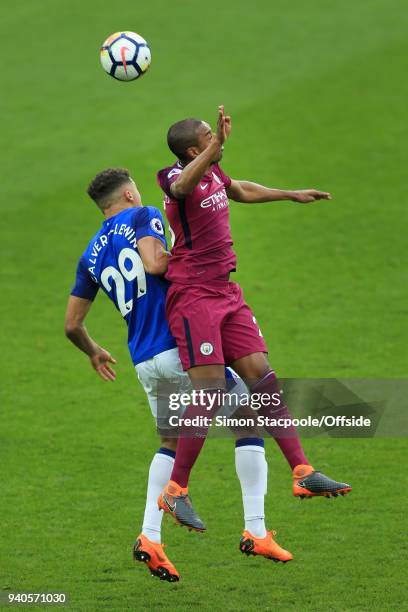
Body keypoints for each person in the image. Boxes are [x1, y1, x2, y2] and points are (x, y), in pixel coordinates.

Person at [64, 168, 293, 584]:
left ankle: (150, 538)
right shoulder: (145, 214)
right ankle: (255, 530)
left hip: (143, 359)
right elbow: (156, 265)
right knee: (252, 414)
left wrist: (94, 351)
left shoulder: (90, 254)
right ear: (131, 194)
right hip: (178, 345)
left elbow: (71, 326)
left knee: (171, 441)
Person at [156, 106, 352, 536]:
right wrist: (216, 147)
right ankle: (175, 489)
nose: (217, 137)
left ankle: (302, 471)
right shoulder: (172, 177)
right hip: (194, 296)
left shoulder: (212, 172)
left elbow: (238, 189)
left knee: (263, 379)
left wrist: (289, 193)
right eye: (208, 136)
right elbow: (186, 186)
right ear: (194, 149)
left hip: (227, 293)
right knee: (208, 391)